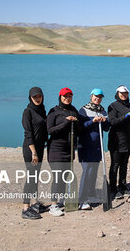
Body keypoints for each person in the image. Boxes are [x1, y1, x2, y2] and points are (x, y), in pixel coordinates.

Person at [46, 87, 82, 216]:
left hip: (69, 149)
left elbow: (79, 130)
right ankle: (53, 206)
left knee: (65, 177)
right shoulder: (54, 111)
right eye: (65, 96)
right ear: (60, 97)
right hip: (56, 149)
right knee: (57, 177)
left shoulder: (73, 110)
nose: (67, 98)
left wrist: (76, 122)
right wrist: (66, 123)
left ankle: (62, 201)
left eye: (69, 96)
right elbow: (50, 130)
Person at [77, 88, 110, 210]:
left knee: (94, 172)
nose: (98, 99)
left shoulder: (103, 111)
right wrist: (93, 121)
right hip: (85, 146)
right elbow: (80, 127)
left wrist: (105, 121)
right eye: (96, 96)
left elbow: (106, 128)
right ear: (91, 97)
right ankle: (81, 199)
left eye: (100, 97)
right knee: (87, 172)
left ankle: (90, 195)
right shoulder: (83, 110)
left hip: (97, 147)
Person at [21, 87, 48, 219]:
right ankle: (25, 209)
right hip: (30, 149)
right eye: (34, 97)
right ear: (30, 98)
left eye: (39, 96)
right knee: (31, 177)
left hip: (40, 148)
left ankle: (35, 204)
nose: (37, 99)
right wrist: (34, 153)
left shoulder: (42, 110)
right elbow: (28, 133)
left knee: (35, 177)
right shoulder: (28, 112)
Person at [108, 85, 130, 200]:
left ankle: (122, 186)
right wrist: (126, 116)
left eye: (125, 93)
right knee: (115, 165)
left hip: (127, 140)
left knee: (124, 165)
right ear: (117, 93)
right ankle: (113, 189)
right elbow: (112, 122)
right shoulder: (113, 106)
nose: (124, 95)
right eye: (121, 93)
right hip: (115, 140)